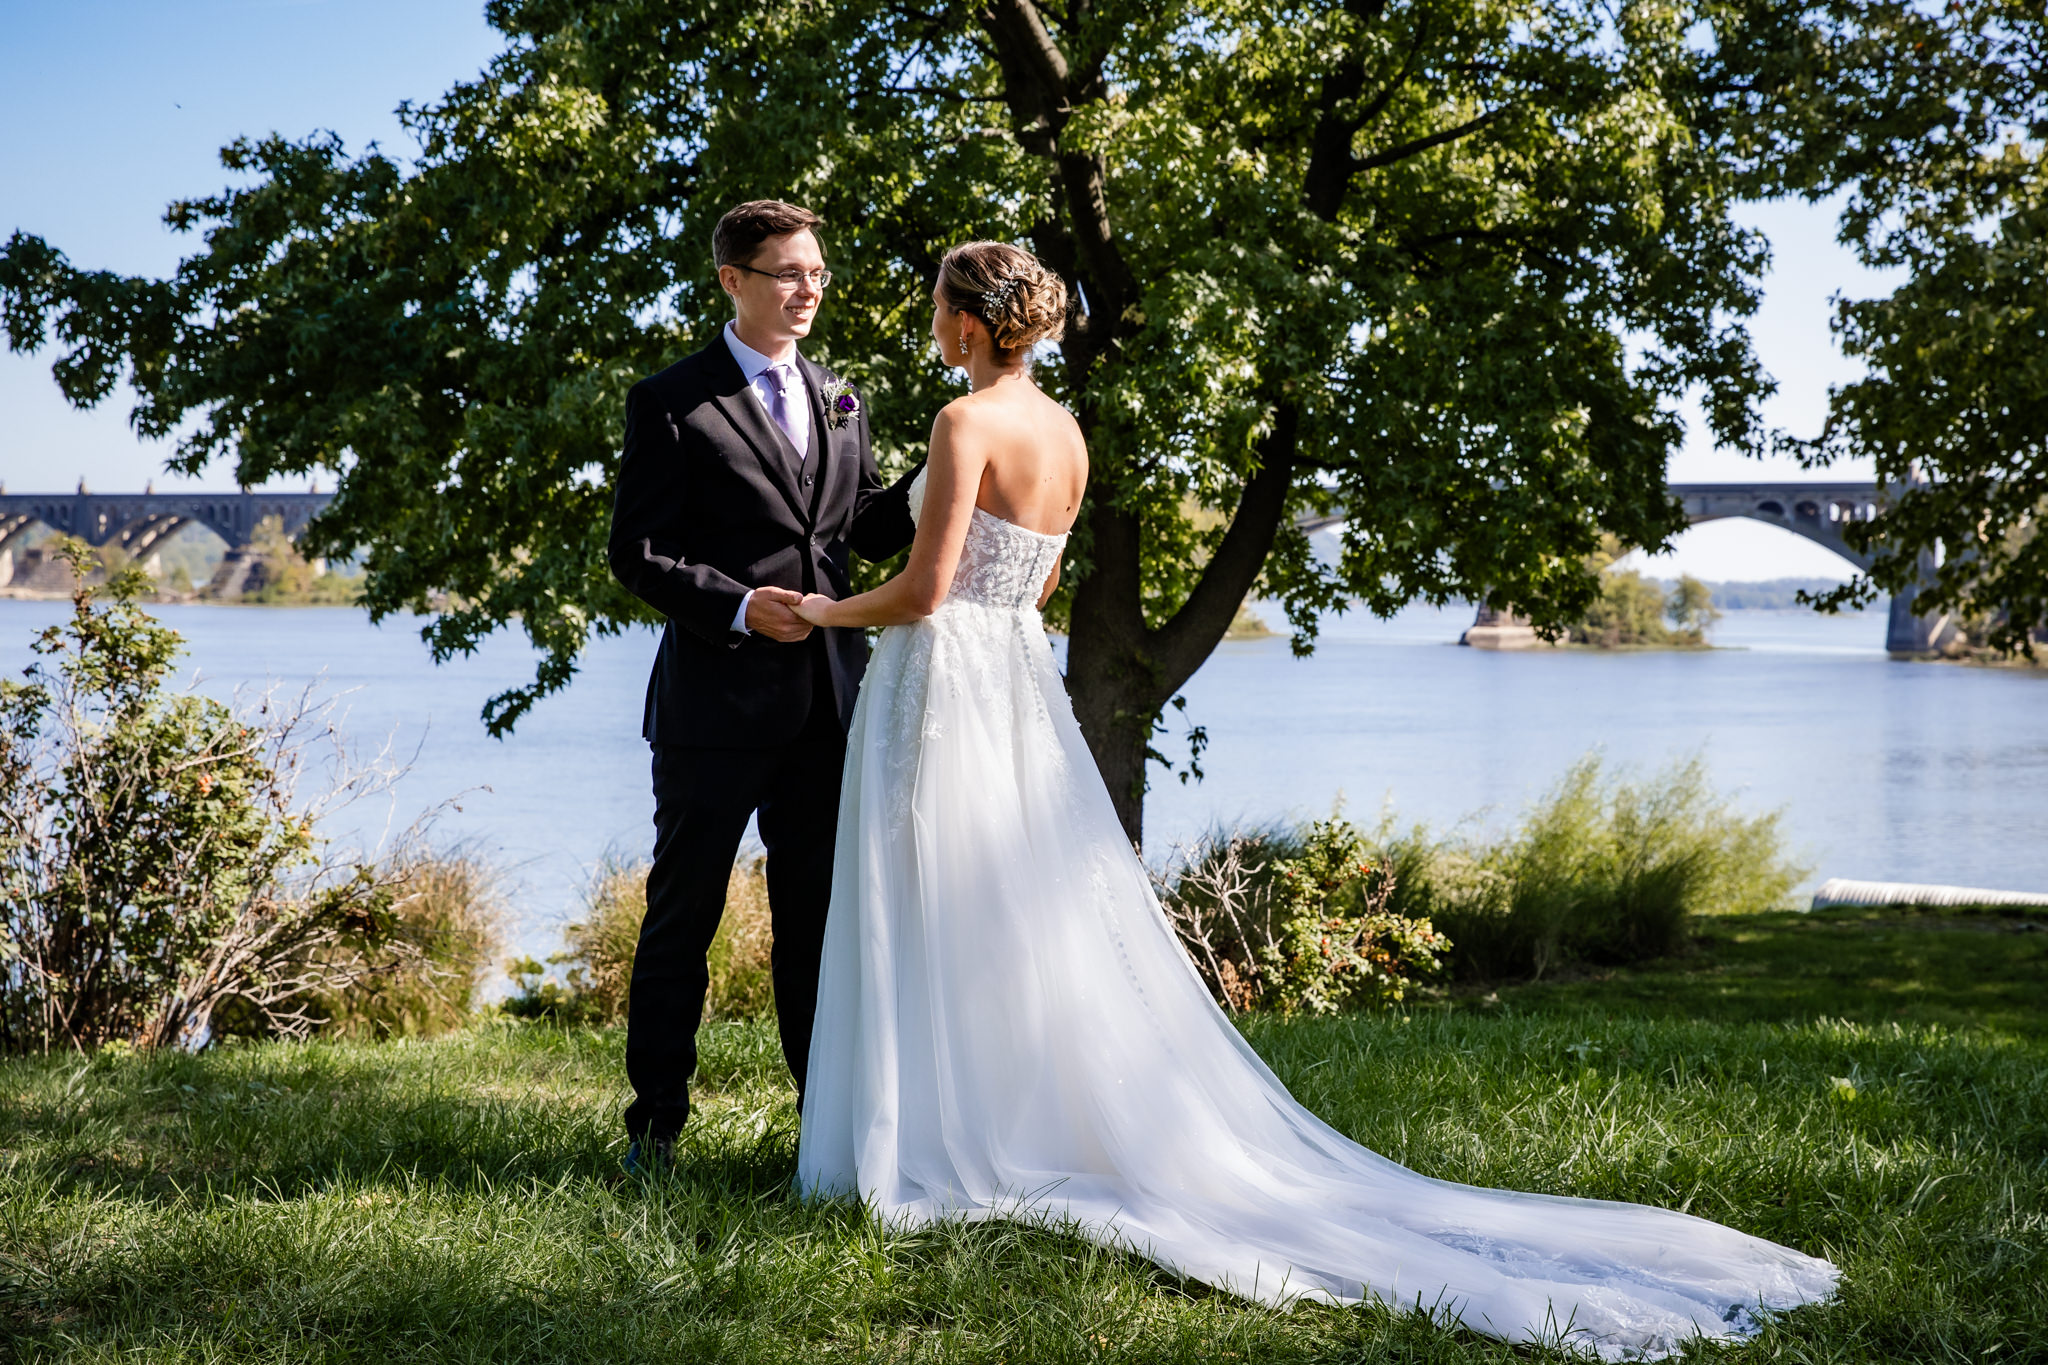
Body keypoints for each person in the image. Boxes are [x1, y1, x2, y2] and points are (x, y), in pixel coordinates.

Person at [787, 240, 1840, 1360]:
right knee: (1009, 903)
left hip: (942, 678)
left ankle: (932, 1136)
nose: (929, 320)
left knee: (933, 890)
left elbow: (925, 587)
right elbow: (1037, 584)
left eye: (935, 306)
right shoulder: (1065, 433)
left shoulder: (962, 425)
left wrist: (814, 611)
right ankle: (990, 1119)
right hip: (1013, 682)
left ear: (963, 321)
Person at [605, 200, 919, 1171]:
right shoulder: (669, 400)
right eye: (787, 272)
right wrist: (742, 607)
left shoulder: (842, 398)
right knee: (682, 916)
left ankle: (820, 1131)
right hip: (712, 705)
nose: (807, 289)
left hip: (827, 702)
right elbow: (639, 553)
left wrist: (945, 471)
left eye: (817, 272)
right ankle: (654, 1127)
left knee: (817, 924)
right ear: (731, 281)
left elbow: (859, 527)